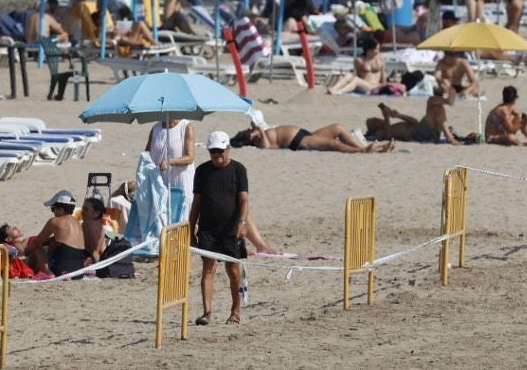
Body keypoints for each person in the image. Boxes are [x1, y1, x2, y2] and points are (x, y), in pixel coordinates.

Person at [188, 131, 249, 325]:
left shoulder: (239, 170)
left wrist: (242, 223)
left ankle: (235, 312)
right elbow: (196, 202)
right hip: (207, 228)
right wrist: (190, 229)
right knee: (208, 269)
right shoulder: (202, 171)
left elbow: (244, 199)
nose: (217, 155)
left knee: (233, 270)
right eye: (213, 151)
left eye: (220, 150)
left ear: (228, 149)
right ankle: (207, 312)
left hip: (231, 229)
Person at [367, 86, 468, 145]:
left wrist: (399, 115)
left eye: (375, 118)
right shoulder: (380, 132)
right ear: (374, 127)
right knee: (435, 107)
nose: (377, 119)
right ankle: (449, 137)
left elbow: (414, 121)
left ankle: (447, 101)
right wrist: (386, 117)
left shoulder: (391, 126)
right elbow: (388, 138)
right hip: (417, 135)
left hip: (419, 129)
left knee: (433, 104)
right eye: (374, 121)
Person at [26, 191, 88, 277]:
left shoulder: (55, 221)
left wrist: (26, 251)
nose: (53, 212)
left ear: (61, 209)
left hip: (61, 270)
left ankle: (45, 272)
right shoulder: (77, 223)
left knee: (36, 247)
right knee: (54, 245)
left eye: (53, 208)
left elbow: (36, 242)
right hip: (78, 272)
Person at [147, 118, 196, 223]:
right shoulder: (156, 128)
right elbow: (147, 153)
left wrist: (169, 162)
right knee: (161, 219)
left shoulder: (186, 127)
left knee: (181, 219)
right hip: (160, 181)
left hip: (180, 181)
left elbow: (190, 157)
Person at [232, 122, 394, 153]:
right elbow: (266, 147)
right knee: (332, 143)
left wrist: (258, 127)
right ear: (247, 137)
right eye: (248, 131)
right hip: (298, 141)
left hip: (304, 134)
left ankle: (374, 149)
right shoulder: (259, 141)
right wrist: (259, 131)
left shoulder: (260, 134)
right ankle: (362, 151)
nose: (250, 129)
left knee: (337, 127)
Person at [327, 34, 397, 96]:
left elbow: (383, 75)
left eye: (378, 49)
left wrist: (383, 86)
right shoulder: (359, 60)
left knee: (356, 80)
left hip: (374, 86)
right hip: (363, 85)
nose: (378, 51)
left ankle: (340, 92)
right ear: (369, 49)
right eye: (376, 49)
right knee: (349, 75)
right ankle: (334, 88)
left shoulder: (380, 59)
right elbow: (358, 74)